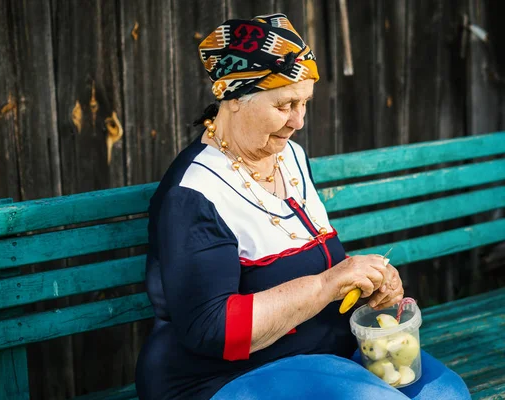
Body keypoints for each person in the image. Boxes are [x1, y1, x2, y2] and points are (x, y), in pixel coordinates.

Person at [135, 13, 471, 400]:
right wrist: (328, 284)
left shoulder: (289, 155)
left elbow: (313, 262)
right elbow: (213, 330)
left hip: (327, 354)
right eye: (285, 104)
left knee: (446, 394)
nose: (298, 120)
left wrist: (367, 282)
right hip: (221, 380)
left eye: (305, 102)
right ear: (233, 98)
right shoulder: (192, 195)